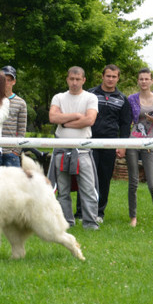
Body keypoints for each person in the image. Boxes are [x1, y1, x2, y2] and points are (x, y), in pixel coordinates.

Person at [76, 64, 132, 222]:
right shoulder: (90, 94)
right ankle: (81, 213)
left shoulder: (122, 99)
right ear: (102, 76)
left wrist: (123, 145)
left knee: (104, 178)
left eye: (114, 77)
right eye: (108, 76)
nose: (111, 79)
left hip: (109, 144)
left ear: (118, 78)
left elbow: (125, 124)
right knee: (86, 177)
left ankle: (99, 213)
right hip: (89, 141)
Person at [48, 66, 100, 230]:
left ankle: (90, 223)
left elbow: (90, 120)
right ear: (67, 79)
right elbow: (52, 117)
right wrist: (77, 116)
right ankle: (66, 222)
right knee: (63, 190)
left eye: (78, 79)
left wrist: (63, 121)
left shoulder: (91, 98)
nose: (75, 82)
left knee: (88, 189)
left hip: (83, 151)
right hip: (61, 150)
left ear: (84, 80)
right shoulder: (59, 97)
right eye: (72, 79)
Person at [126, 68, 153, 227]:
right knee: (133, 182)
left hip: (150, 143)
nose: (143, 81)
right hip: (133, 143)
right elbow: (127, 120)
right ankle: (133, 218)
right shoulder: (132, 99)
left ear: (151, 81)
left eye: (146, 79)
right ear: (138, 81)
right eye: (141, 79)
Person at [0, 65, 27, 167]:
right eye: (3, 80)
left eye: (8, 80)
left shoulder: (21, 103)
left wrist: (16, 151)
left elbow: (22, 129)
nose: (6, 83)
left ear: (13, 82)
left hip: (11, 153)